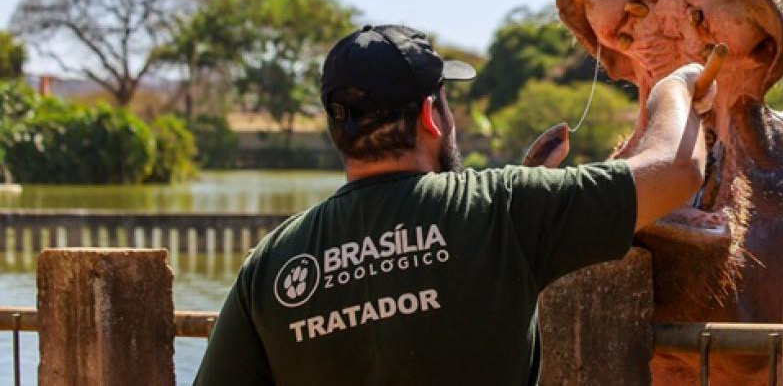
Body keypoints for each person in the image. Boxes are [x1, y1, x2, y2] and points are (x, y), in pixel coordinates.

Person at [193, 24, 714, 385]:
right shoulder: (502, 208)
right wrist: (675, 89)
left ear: (338, 132)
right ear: (430, 115)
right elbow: (675, 170)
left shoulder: (271, 263)